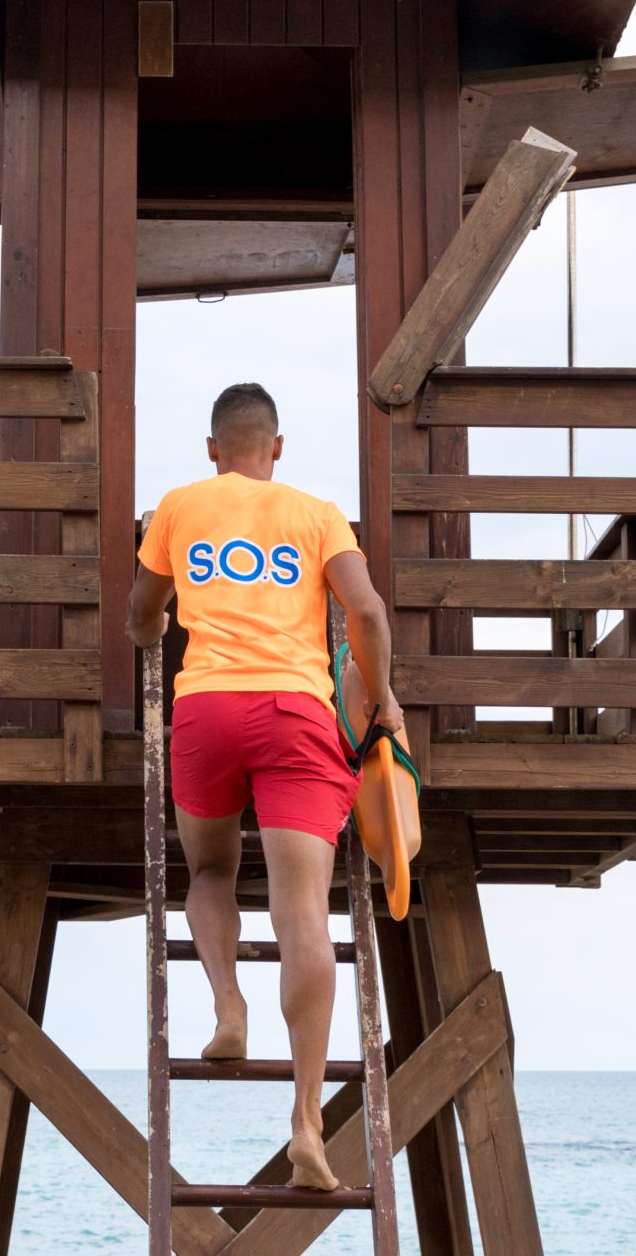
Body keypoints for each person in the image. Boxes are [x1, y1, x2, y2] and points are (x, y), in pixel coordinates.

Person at [124, 381, 400, 1194]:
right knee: (304, 913)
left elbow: (142, 613)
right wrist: (377, 700)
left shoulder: (179, 506)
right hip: (297, 713)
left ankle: (228, 1011)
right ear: (276, 447)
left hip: (207, 711)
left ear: (214, 449)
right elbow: (369, 614)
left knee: (209, 870)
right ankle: (308, 1122)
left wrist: (157, 630)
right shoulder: (317, 515)